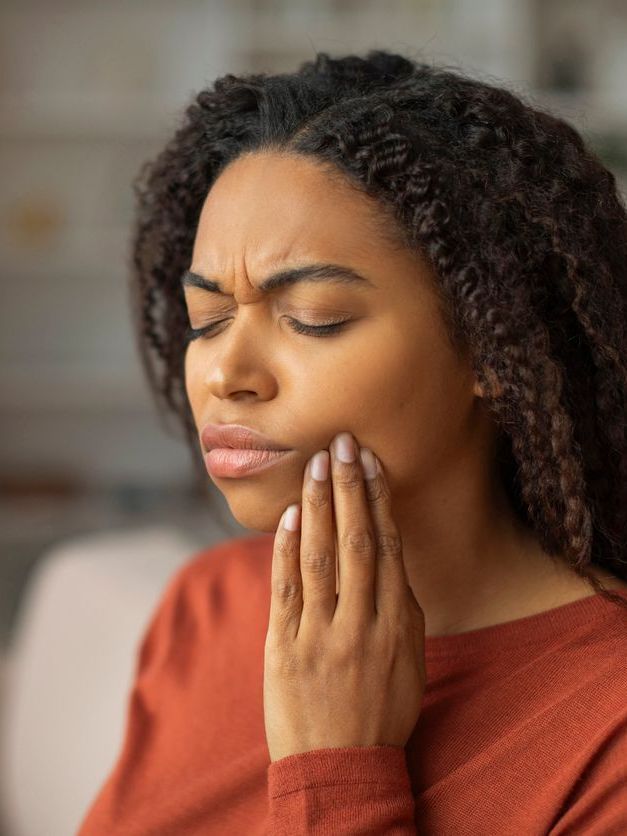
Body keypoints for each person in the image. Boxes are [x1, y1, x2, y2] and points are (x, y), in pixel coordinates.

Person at [77, 49, 627, 834]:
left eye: (314, 318)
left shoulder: (607, 726)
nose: (225, 373)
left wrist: (335, 769)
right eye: (207, 321)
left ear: (493, 350)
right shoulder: (206, 606)